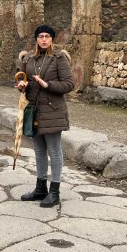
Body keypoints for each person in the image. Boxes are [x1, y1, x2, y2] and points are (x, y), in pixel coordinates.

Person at [14, 24, 74, 207]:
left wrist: (48, 85)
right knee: (39, 150)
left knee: (54, 150)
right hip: (34, 110)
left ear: (52, 39)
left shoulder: (59, 59)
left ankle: (54, 192)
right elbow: (21, 77)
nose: (44, 39)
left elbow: (69, 84)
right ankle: (41, 189)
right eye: (41, 36)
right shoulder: (29, 59)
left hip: (53, 111)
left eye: (47, 36)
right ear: (37, 39)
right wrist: (22, 85)